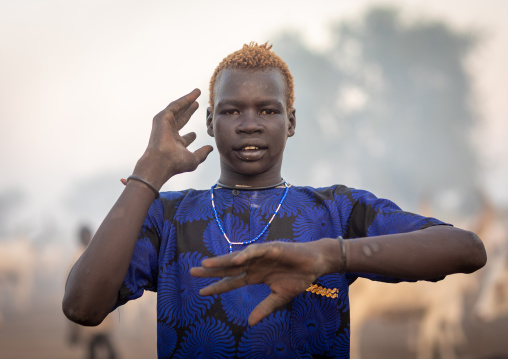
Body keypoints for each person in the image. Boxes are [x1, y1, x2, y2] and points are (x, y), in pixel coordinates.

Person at [63, 42, 487, 358]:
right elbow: (82, 306)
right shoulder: (168, 216)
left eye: (268, 110)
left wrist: (331, 256)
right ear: (210, 122)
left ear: (292, 121)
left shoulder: (334, 211)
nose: (249, 124)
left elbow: (467, 249)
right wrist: (148, 174)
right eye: (231, 111)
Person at [67, 225, 118, 359]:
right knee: (96, 347)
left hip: (100, 307)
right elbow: (69, 290)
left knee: (102, 346)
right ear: (80, 239)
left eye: (89, 235)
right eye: (85, 236)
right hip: (85, 308)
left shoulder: (97, 254)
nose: (87, 238)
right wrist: (71, 325)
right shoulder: (76, 259)